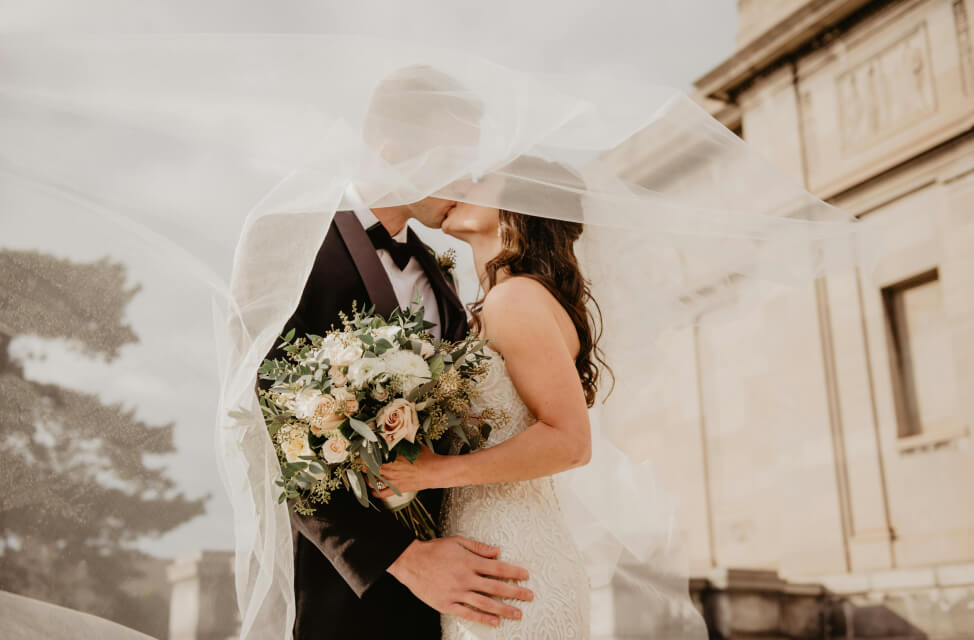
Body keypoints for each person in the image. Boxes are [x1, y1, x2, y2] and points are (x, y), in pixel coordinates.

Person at [261, 66, 533, 640]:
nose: (466, 180)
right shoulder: (287, 242)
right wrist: (405, 560)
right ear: (392, 151)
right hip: (347, 589)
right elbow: (270, 424)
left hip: (457, 587)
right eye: (453, 161)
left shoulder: (443, 277)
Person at [376, 164, 602, 638]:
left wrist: (434, 470)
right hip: (488, 555)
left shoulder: (515, 299)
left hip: (512, 562)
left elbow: (571, 440)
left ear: (518, 206)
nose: (456, 184)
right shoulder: (499, 301)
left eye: (478, 179)